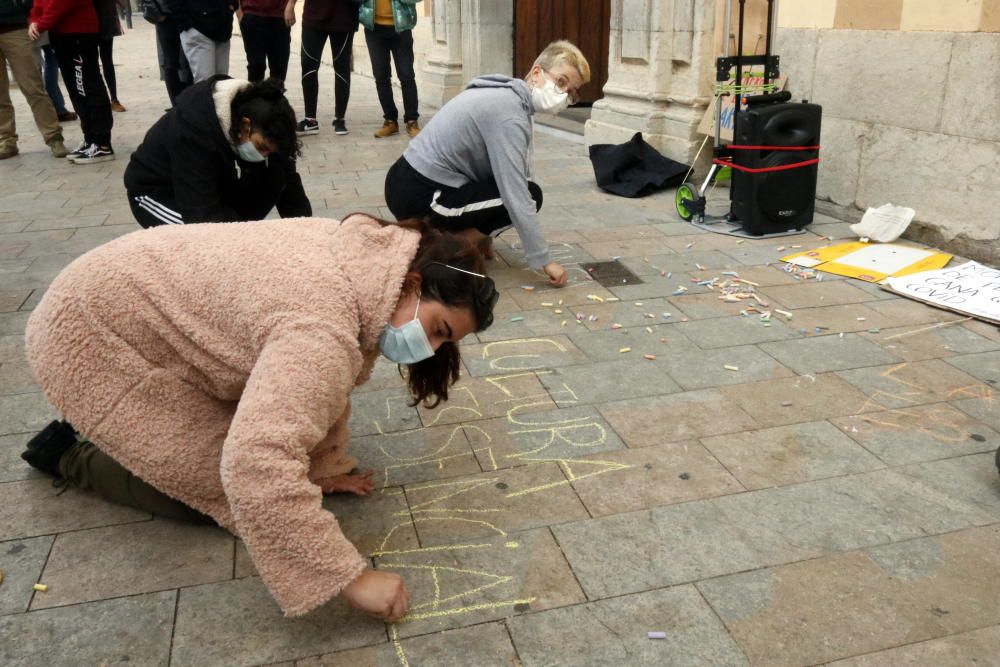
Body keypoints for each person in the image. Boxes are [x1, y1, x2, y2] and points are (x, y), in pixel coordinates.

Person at [20, 213, 498, 621]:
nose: (428, 350)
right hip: (87, 336)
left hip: (129, 302)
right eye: (437, 330)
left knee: (267, 449)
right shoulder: (320, 326)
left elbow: (318, 391)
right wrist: (351, 576)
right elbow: (253, 463)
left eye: (444, 342)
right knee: (216, 491)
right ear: (414, 283)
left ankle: (123, 439)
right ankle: (67, 453)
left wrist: (319, 467)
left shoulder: (368, 260)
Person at [384, 40, 590, 287]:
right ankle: (442, 251)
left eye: (571, 93)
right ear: (536, 73)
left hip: (405, 180)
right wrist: (544, 260)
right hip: (421, 195)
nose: (563, 96)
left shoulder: (505, 95)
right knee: (530, 196)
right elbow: (515, 194)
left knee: (514, 192)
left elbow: (488, 169)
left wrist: (485, 233)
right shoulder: (510, 115)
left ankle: (453, 239)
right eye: (561, 82)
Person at [124, 76, 311, 226]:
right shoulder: (194, 128)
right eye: (261, 147)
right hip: (158, 192)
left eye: (268, 151)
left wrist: (305, 235)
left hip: (208, 186)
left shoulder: (261, 113)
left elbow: (288, 181)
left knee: (274, 174)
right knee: (201, 239)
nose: (263, 155)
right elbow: (201, 216)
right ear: (245, 125)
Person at [28, 0, 115, 164]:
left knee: (88, 87)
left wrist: (40, 23)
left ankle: (102, 144)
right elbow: (39, 3)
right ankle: (90, 139)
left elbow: (62, 3)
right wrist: (34, 19)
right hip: (60, 34)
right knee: (76, 90)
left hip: (79, 32)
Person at [0, 0, 67, 159]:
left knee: (33, 87)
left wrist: (27, 13)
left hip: (14, 28)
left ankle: (54, 137)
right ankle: (6, 140)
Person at [293, 0, 357, 136]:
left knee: (341, 68)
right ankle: (310, 120)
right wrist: (290, 5)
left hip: (344, 17)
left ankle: (340, 119)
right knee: (308, 66)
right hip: (313, 16)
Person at [359, 0, 420, 138]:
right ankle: (390, 121)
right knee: (381, 76)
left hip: (401, 27)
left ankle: (412, 121)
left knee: (407, 75)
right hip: (373, 28)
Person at [167, 0, 234, 83]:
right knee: (205, 84)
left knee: (222, 83)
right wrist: (184, 21)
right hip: (197, 28)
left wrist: (232, 5)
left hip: (222, 26)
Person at [141, 0, 191, 105]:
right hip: (166, 15)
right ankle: (176, 104)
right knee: (171, 62)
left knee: (192, 60)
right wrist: (158, 14)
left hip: (187, 13)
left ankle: (189, 100)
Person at [237, 0, 292, 83]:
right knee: (256, 67)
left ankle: (275, 95)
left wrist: (291, 4)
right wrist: (238, 11)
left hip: (280, 15)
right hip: (252, 13)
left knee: (279, 68)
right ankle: (255, 95)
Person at [95, 0, 125, 112]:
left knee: (107, 61)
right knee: (92, 63)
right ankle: (100, 99)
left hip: (106, 18)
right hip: (90, 19)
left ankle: (114, 99)